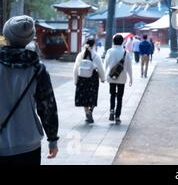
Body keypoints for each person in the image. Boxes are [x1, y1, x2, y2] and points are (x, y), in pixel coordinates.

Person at [0, 15, 59, 165]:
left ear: (6, 35)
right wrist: (52, 139)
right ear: (30, 38)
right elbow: (47, 107)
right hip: (28, 143)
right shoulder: (37, 69)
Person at [73, 37, 105, 124]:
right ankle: (91, 110)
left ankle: (87, 112)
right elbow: (100, 68)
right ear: (94, 45)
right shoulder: (96, 56)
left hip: (82, 78)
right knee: (93, 95)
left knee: (84, 96)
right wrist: (102, 78)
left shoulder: (80, 55)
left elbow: (76, 68)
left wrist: (75, 80)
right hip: (93, 78)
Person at [104, 34, 133, 124]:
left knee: (112, 94)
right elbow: (129, 67)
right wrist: (131, 78)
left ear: (113, 42)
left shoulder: (109, 51)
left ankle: (112, 110)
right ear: (122, 42)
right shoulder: (125, 52)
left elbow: (106, 64)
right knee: (120, 97)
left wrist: (104, 74)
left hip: (112, 77)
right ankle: (117, 116)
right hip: (122, 77)